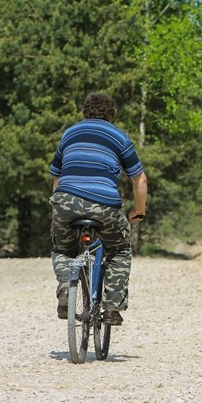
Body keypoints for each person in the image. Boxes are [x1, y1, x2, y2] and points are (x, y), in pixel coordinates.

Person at [49, 92, 147, 326]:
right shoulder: (119, 136)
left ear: (85, 112)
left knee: (62, 249)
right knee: (120, 249)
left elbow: (57, 177)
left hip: (65, 200)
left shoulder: (69, 133)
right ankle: (112, 308)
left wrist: (59, 207)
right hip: (104, 205)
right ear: (111, 114)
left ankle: (65, 285)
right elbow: (140, 180)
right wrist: (138, 211)